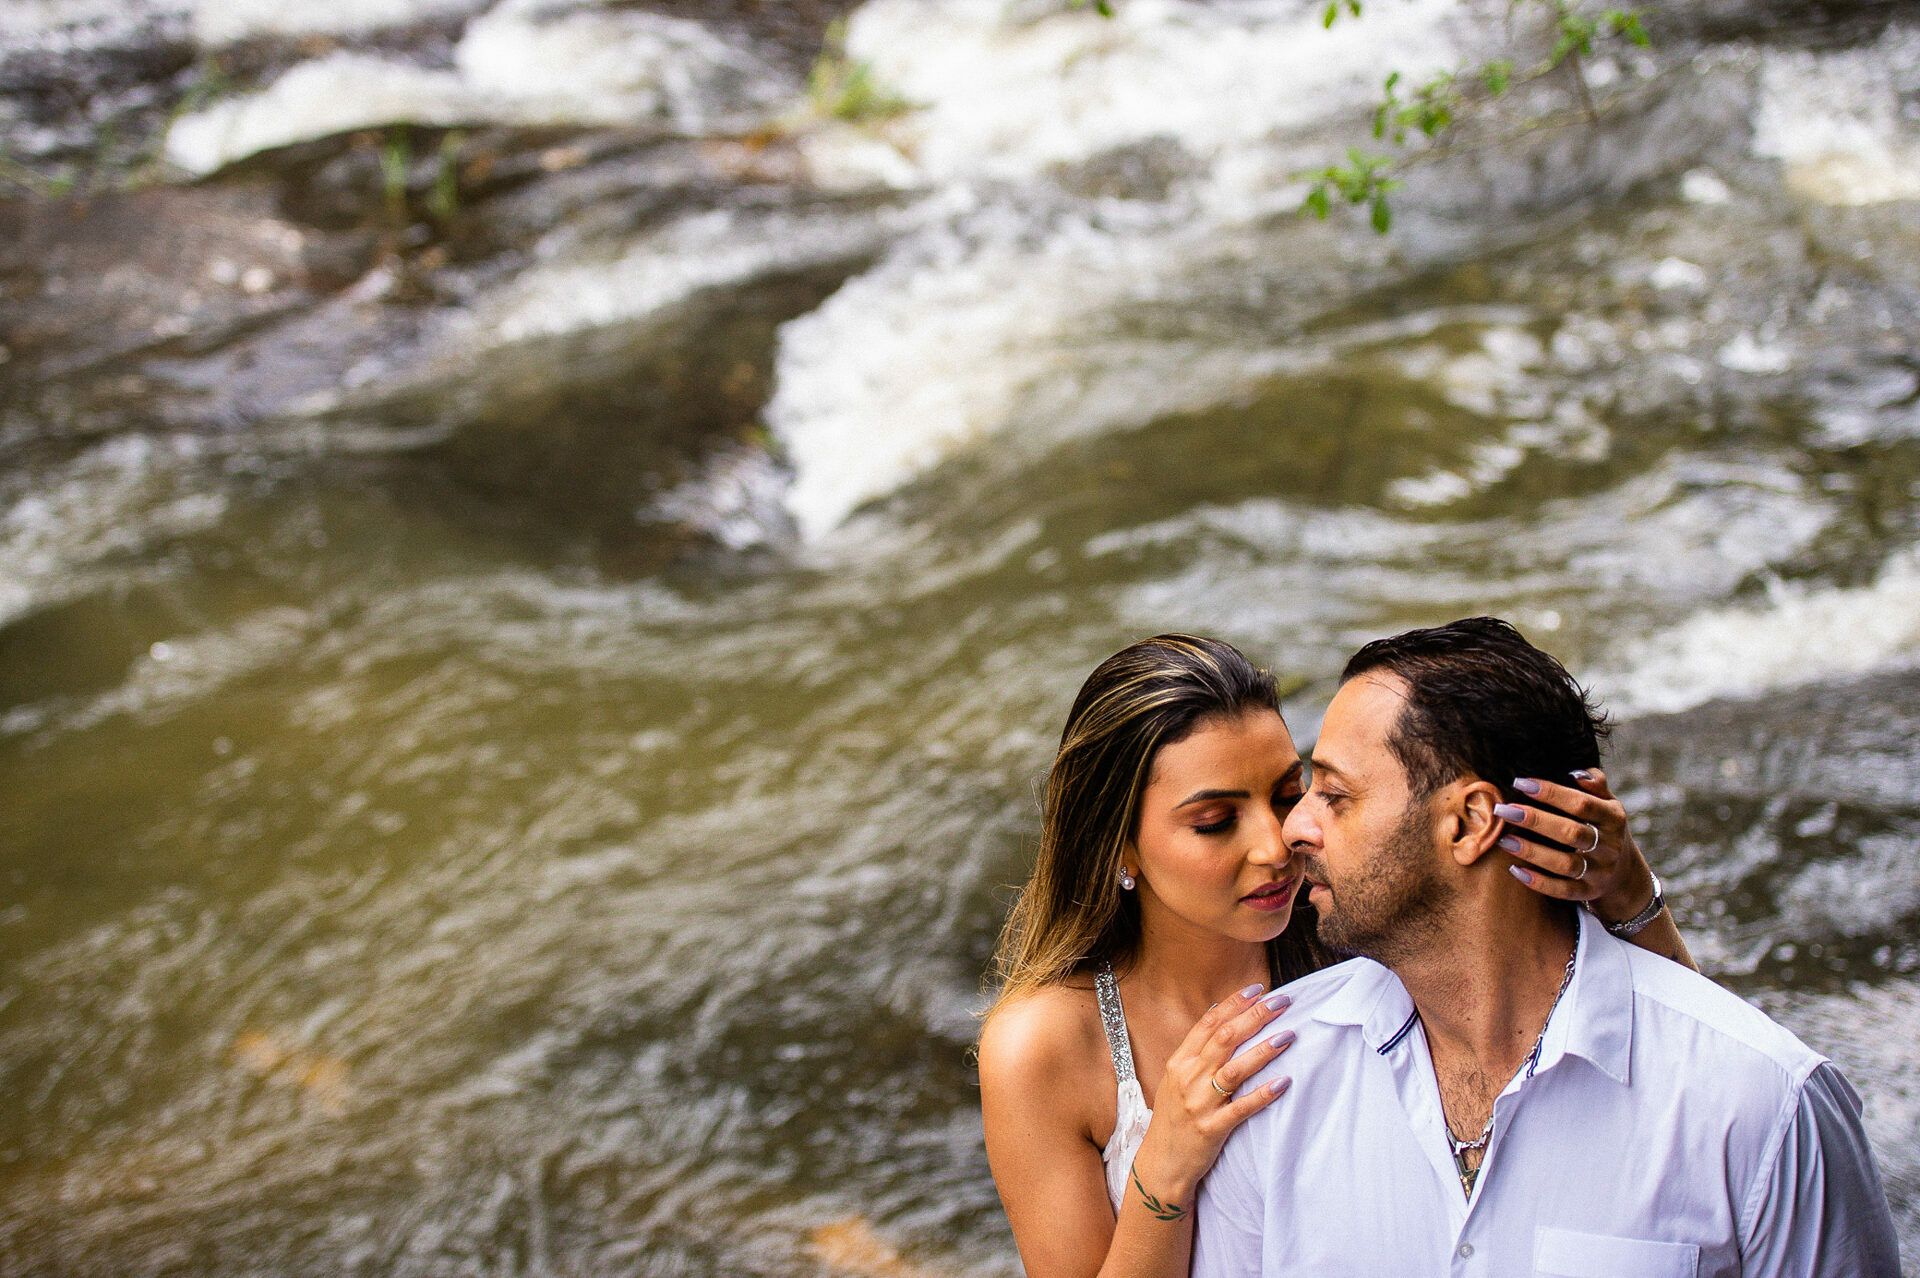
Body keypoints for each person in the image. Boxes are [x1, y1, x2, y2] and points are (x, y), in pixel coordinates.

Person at [1190, 618, 1901, 1277]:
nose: (1292, 832)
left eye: (1334, 797)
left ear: (1469, 823)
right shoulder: (1270, 1078)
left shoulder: (1758, 1105)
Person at [977, 632, 1695, 1278]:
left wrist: (1628, 896)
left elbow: (1680, 1069)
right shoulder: (1042, 1048)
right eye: (1215, 821)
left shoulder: (1357, 934)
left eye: (1293, 793)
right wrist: (1163, 1171)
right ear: (1119, 846)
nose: (1278, 841)